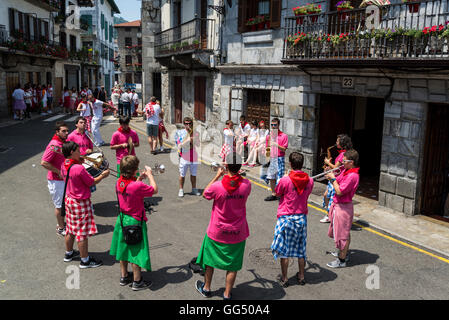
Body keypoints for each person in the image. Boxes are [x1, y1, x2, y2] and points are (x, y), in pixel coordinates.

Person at [195, 153, 251, 300]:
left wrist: (218, 175)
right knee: (233, 265)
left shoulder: (217, 186)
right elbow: (239, 183)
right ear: (240, 167)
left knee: (209, 260)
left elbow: (205, 194)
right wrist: (236, 174)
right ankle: (227, 294)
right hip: (237, 231)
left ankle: (206, 288)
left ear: (226, 166)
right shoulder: (247, 185)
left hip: (217, 231)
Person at [110, 155, 158, 290]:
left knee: (124, 248)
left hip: (122, 219)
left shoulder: (119, 182)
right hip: (135, 220)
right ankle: (137, 281)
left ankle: (124, 276)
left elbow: (130, 189)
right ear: (134, 169)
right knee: (135, 251)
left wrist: (138, 179)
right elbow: (154, 189)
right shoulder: (136, 186)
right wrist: (149, 175)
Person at [61, 141, 109, 268]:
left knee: (70, 229)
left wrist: (79, 161)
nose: (80, 153)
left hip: (69, 199)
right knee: (82, 233)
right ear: (72, 152)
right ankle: (85, 260)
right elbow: (91, 182)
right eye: (77, 151)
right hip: (80, 202)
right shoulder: (78, 168)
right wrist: (103, 175)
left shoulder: (64, 164)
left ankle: (69, 253)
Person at [271, 152, 313, 287]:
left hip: (286, 217)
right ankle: (301, 276)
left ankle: (284, 278)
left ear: (290, 164)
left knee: (284, 251)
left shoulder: (285, 180)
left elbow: (277, 192)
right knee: (301, 250)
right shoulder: (310, 180)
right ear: (302, 164)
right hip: (301, 218)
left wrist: (282, 177)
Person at [325, 149, 360, 268]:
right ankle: (343, 253)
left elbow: (339, 191)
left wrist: (333, 179)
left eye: (344, 161)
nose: (342, 163)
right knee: (343, 233)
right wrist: (330, 176)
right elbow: (337, 181)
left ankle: (342, 260)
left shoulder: (353, 176)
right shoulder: (346, 171)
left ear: (352, 162)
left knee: (342, 236)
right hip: (339, 206)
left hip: (343, 207)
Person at [41, 121, 70, 236]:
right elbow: (44, 162)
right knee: (59, 205)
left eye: (67, 131)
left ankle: (62, 223)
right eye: (63, 131)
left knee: (64, 204)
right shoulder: (54, 145)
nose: (66, 133)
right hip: (56, 180)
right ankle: (61, 228)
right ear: (57, 132)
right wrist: (59, 172)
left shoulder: (62, 142)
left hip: (63, 180)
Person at [320, 134, 353, 223]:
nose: (336, 142)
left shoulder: (343, 154)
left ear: (342, 143)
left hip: (337, 178)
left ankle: (330, 215)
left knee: (329, 197)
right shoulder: (344, 153)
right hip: (335, 176)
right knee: (327, 196)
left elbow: (336, 167)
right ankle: (329, 215)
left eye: (337, 141)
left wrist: (327, 162)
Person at [174, 117, 201, 197]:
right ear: (184, 124)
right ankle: (181, 189)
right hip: (184, 157)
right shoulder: (180, 132)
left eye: (189, 123)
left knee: (193, 174)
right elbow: (179, 144)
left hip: (193, 156)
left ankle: (194, 189)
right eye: (186, 123)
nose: (188, 125)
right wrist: (187, 139)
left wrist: (192, 138)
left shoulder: (195, 132)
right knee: (182, 174)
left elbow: (198, 144)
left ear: (192, 124)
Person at [264, 118, 289, 201]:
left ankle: (281, 194)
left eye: (275, 125)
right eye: (272, 125)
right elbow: (267, 147)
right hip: (272, 158)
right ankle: (273, 194)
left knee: (280, 178)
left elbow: (284, 149)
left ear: (278, 125)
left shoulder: (284, 136)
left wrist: (276, 144)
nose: (273, 126)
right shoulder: (269, 136)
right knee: (271, 177)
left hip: (280, 158)